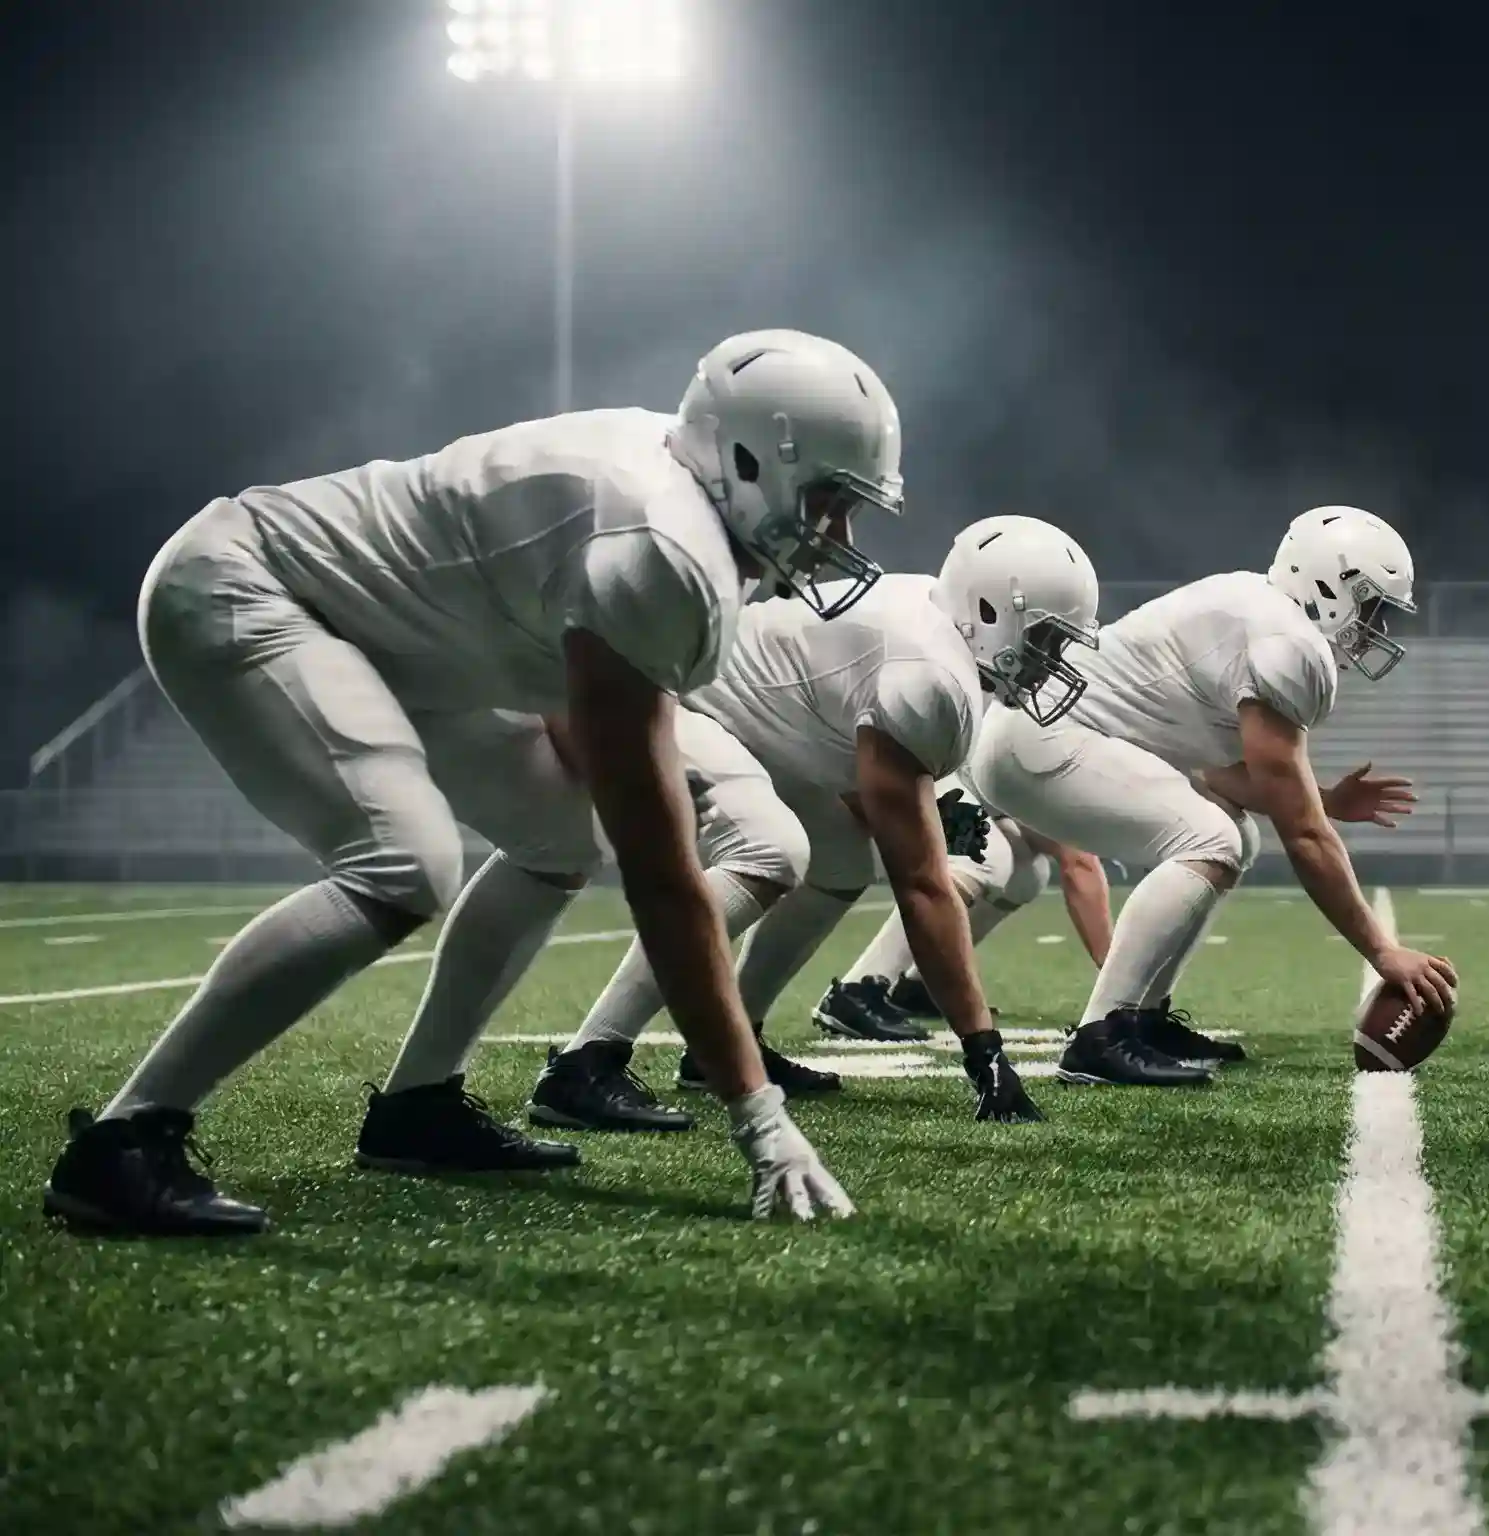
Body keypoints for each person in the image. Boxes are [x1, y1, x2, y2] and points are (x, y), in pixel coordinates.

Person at [44, 329, 897, 1234]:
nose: (836, 536)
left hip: (410, 643)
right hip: (254, 584)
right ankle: (124, 1141)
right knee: (402, 863)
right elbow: (663, 877)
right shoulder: (662, 543)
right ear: (748, 460)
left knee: (560, 837)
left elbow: (583, 719)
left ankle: (418, 1105)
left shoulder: (674, 491)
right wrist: (757, 1117)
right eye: (828, 501)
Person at [527, 519, 1093, 1132]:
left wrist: (922, 812)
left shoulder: (937, 627)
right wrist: (985, 1053)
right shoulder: (934, 676)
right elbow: (923, 886)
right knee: (770, 851)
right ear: (988, 612)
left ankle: (722, 1042)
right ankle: (587, 1060)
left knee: (840, 862)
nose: (1050, 663)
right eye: (1044, 640)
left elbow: (849, 762)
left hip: (757, 719)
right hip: (681, 694)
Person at [969, 506, 1457, 1085]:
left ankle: (1142, 1016)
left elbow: (1219, 778)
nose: (1375, 628)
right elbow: (1302, 835)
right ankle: (1101, 1035)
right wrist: (1381, 949)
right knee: (1213, 838)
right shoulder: (1289, 643)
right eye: (1372, 607)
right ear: (1332, 588)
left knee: (1233, 831)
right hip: (1042, 736)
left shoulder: (1257, 608)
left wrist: (1324, 799)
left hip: (1040, 733)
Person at [810, 807, 1113, 1040]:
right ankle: (856, 990)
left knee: (1025, 872)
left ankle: (923, 982)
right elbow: (1079, 861)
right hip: (909, 771)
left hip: (953, 767)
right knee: (981, 855)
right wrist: (1120, 983)